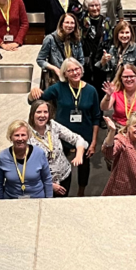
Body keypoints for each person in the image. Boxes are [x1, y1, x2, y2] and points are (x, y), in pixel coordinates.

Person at [32, 58, 102, 197]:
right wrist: (32, 93)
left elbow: (96, 117)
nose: (75, 72)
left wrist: (93, 142)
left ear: (81, 70)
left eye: (77, 69)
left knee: (84, 167)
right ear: (65, 73)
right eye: (70, 70)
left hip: (84, 136)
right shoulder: (59, 88)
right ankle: (60, 191)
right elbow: (37, 100)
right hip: (61, 137)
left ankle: (81, 192)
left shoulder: (91, 90)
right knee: (58, 165)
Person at [28, 100, 86, 198]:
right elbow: (28, 170)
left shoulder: (53, 125)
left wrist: (79, 154)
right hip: (43, 183)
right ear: (32, 114)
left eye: (45, 112)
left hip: (64, 176)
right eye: (38, 112)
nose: (42, 115)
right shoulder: (27, 135)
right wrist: (49, 185)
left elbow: (78, 139)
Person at [0, 119, 54, 199]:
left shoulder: (39, 153)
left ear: (28, 136)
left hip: (37, 200)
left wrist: (48, 200)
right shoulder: (3, 157)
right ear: (10, 137)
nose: (20, 139)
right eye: (16, 135)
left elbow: (47, 180)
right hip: (11, 201)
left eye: (23, 135)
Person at [102, 113, 136, 196]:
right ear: (128, 127)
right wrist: (112, 132)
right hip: (125, 191)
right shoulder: (122, 140)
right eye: (135, 126)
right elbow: (109, 153)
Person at [101, 63, 136, 129]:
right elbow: (104, 108)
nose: (129, 79)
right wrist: (108, 96)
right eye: (125, 77)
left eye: (132, 76)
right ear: (121, 78)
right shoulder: (116, 91)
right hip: (119, 129)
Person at [38, 13, 85, 87]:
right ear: (61, 24)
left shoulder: (76, 40)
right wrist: (55, 69)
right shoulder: (50, 39)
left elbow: (81, 60)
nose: (69, 25)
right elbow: (40, 60)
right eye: (67, 22)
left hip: (73, 80)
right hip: (56, 80)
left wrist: (76, 72)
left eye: (72, 23)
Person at [79, 0, 112, 93]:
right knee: (85, 90)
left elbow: (110, 41)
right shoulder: (82, 21)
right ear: (87, 7)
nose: (95, 8)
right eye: (91, 6)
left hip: (101, 61)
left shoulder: (106, 21)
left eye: (97, 5)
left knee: (100, 90)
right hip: (85, 61)